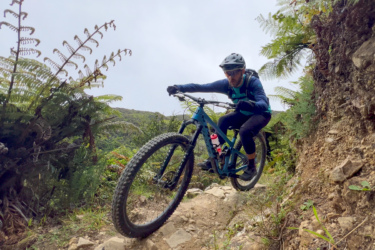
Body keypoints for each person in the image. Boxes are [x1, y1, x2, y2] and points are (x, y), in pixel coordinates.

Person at [167, 53, 271, 181]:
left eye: (233, 73)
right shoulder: (226, 84)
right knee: (222, 121)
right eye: (227, 73)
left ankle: (251, 166)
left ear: (242, 71)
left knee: (245, 131)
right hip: (243, 113)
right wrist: (179, 88)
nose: (230, 77)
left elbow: (263, 103)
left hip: (261, 113)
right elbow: (202, 87)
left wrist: (250, 104)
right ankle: (216, 157)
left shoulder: (252, 82)